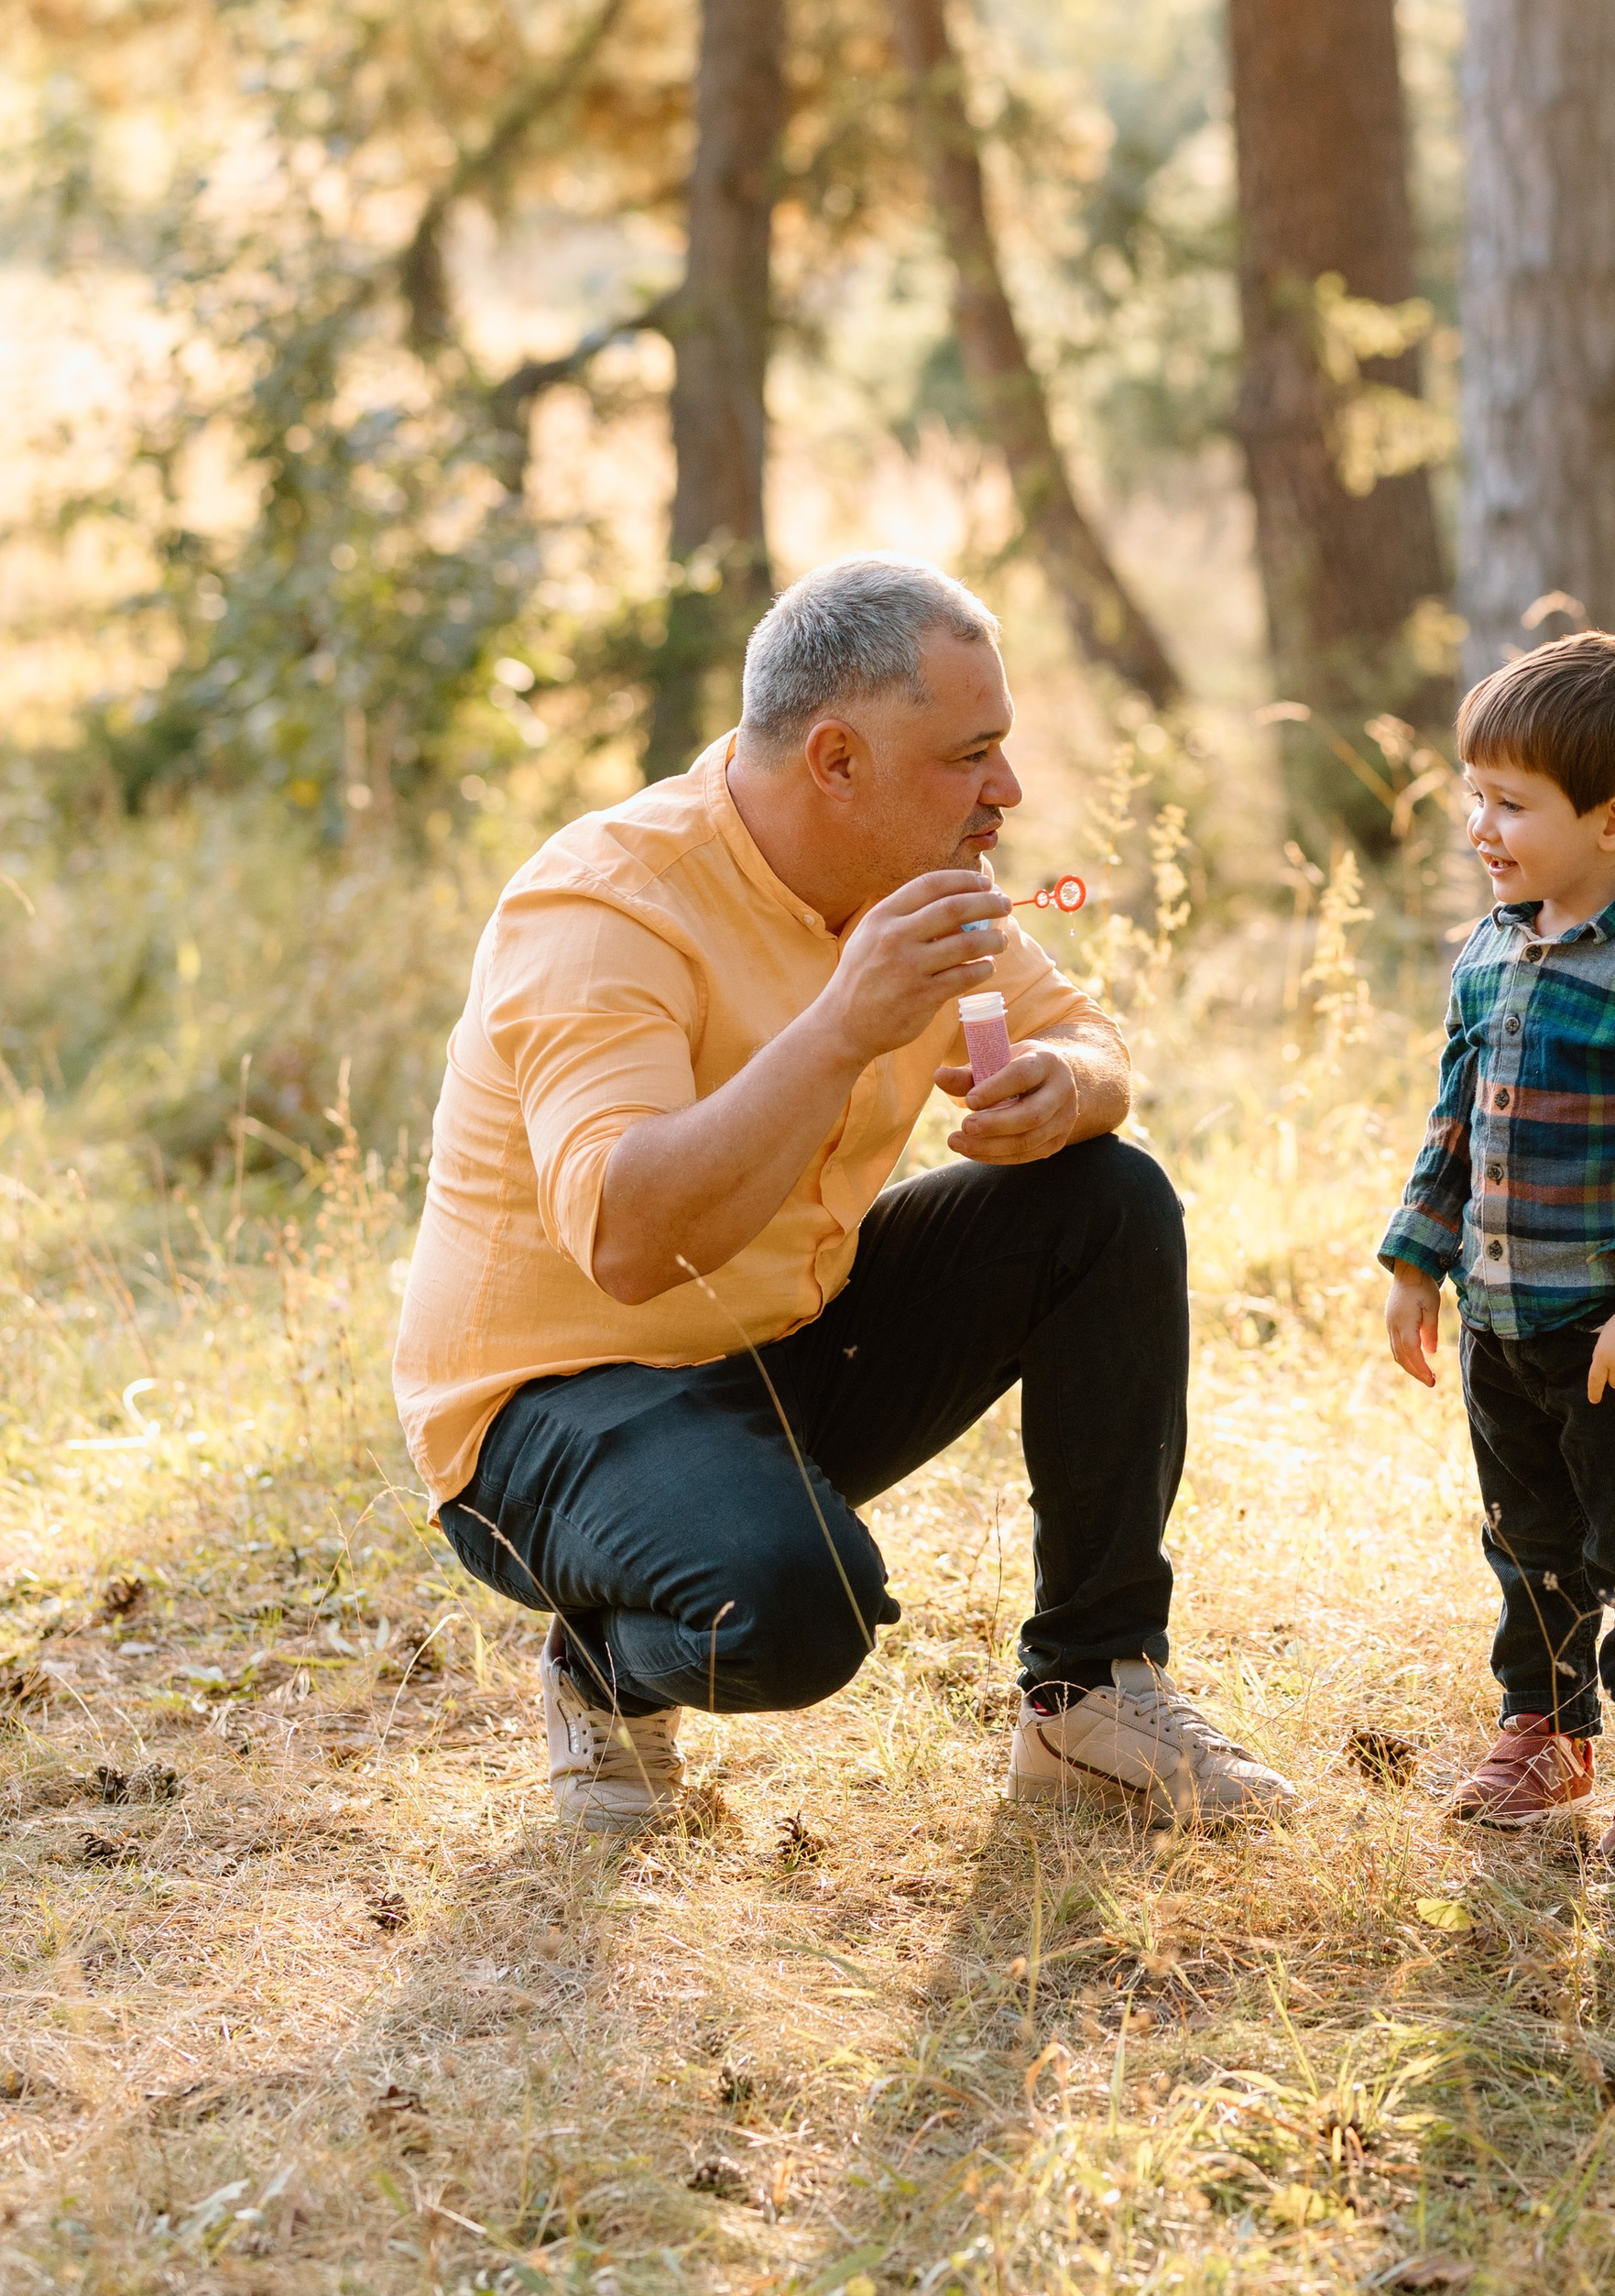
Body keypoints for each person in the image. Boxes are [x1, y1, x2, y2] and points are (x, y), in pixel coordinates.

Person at [395, 555, 1293, 1836]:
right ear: (836, 761)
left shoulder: (913, 881)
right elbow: (630, 1241)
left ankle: (1091, 1694)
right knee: (799, 1613)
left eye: (1004, 749)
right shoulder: (603, 906)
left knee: (1109, 1197)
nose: (1008, 791)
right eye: (968, 755)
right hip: (552, 1410)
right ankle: (601, 1669)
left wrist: (1067, 1084)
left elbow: (1088, 1039)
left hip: (779, 1349)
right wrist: (840, 1027)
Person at [1378, 632, 1615, 1868]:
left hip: (1612, 1324)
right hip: (1500, 1316)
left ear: (1612, 822)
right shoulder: (1489, 948)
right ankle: (1545, 1728)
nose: (1479, 825)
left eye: (1510, 804)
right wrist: (1414, 1264)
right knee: (1525, 1535)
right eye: (1474, 796)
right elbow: (1455, 1121)